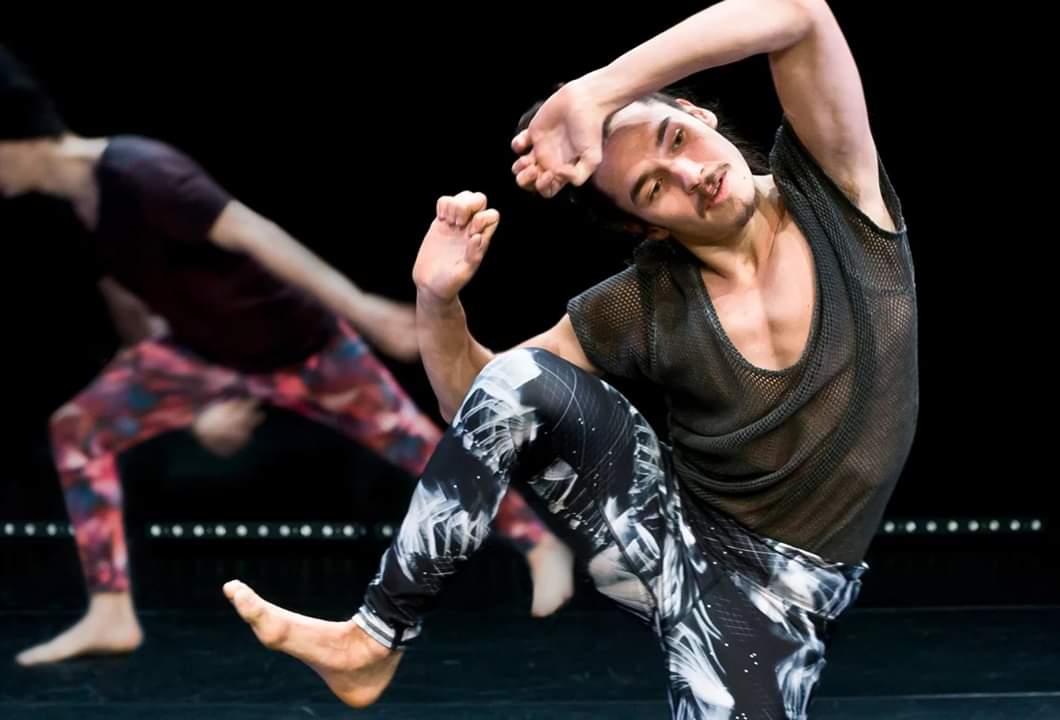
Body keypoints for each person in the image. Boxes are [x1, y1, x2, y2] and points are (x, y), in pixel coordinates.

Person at [224, 1, 918, 717]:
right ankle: (374, 636)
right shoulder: (642, 303)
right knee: (520, 379)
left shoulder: (833, 192)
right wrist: (438, 303)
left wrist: (601, 91)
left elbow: (799, 13)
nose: (690, 174)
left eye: (676, 138)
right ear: (643, 226)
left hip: (781, 598)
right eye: (654, 187)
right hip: (662, 540)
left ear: (697, 113)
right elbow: (481, 409)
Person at [1, 46, 573, 667]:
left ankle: (539, 544)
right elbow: (137, 311)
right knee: (78, 429)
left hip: (303, 348)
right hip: (205, 354)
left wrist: (361, 308)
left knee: (418, 448)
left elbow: (252, 231)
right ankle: (111, 612)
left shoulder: (139, 170)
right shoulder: (79, 207)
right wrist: (198, 404)